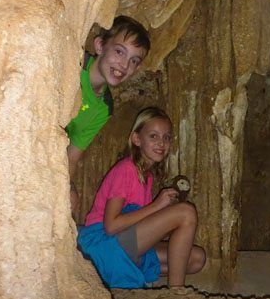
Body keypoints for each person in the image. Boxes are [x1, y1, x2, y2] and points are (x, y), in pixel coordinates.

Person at [77, 106, 206, 289]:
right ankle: (177, 295)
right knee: (186, 212)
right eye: (153, 136)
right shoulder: (126, 170)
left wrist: (165, 219)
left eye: (166, 137)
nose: (161, 143)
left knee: (196, 259)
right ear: (136, 139)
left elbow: (140, 222)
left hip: (124, 241)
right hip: (104, 243)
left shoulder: (147, 175)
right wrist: (157, 206)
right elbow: (111, 226)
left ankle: (134, 272)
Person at [66, 15, 150, 218]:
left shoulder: (104, 108)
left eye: (133, 61)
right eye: (119, 52)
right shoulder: (71, 65)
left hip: (47, 159)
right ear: (100, 46)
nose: (124, 65)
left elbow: (73, 155)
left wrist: (67, 187)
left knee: (68, 200)